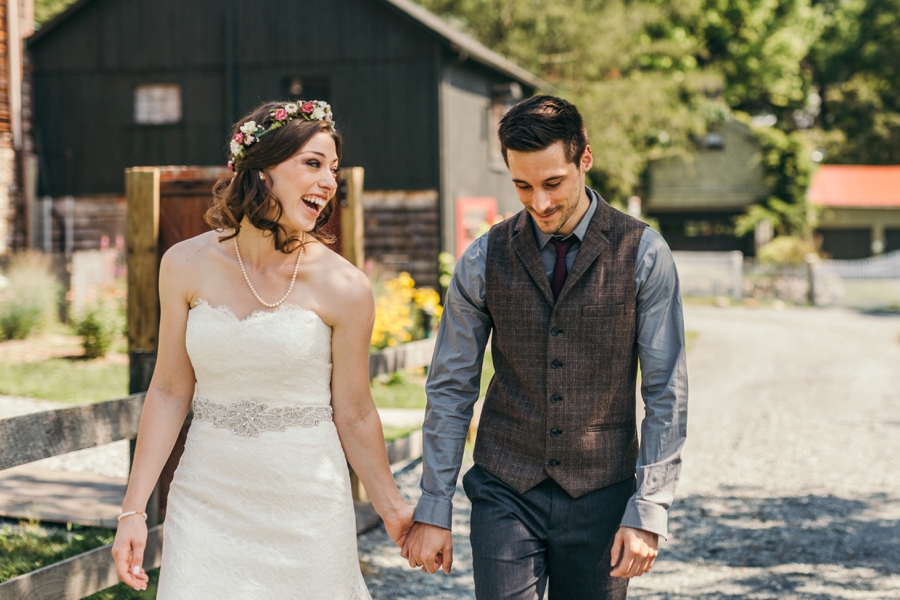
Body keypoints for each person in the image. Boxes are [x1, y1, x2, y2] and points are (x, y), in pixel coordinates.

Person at [111, 100, 414, 599]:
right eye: (313, 164)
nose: (328, 182)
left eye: (333, 170)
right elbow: (167, 390)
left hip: (307, 506)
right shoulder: (184, 264)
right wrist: (134, 509)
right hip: (205, 499)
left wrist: (393, 509)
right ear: (263, 169)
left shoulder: (345, 286)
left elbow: (356, 412)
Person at [402, 95, 688, 599]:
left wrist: (649, 508)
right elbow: (450, 387)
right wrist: (433, 505)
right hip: (505, 488)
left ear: (585, 160)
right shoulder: (481, 259)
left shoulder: (643, 253)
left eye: (553, 183)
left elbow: (666, 390)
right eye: (522, 186)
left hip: (603, 491)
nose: (539, 203)